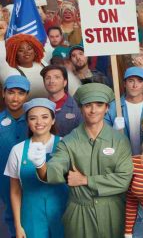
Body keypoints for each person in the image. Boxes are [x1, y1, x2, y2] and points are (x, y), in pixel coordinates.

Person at [27, 83, 134, 237]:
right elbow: (53, 170)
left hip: (113, 212)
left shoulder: (119, 141)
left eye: (99, 105)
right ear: (81, 109)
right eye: (88, 105)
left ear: (107, 108)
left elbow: (124, 180)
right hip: (79, 213)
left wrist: (85, 180)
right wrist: (40, 164)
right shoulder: (69, 142)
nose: (93, 110)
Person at [4, 98, 68, 238]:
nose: (39, 122)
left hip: (63, 212)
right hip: (31, 216)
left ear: (53, 120)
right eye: (33, 118)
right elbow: (15, 192)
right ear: (27, 122)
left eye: (45, 117)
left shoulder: (66, 145)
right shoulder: (18, 150)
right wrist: (18, 225)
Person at [0, 75, 30, 237]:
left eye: (21, 93)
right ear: (3, 93)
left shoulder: (35, 122)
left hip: (31, 184)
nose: (15, 98)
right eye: (11, 92)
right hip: (3, 188)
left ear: (27, 96)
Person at [105, 67, 143, 155]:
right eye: (131, 81)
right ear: (124, 84)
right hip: (121, 159)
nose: (135, 85)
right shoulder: (112, 107)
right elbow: (103, 137)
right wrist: (112, 131)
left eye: (140, 81)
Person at [41, 65, 82, 137]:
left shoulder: (78, 107)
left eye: (57, 77)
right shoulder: (39, 107)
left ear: (65, 82)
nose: (51, 81)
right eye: (48, 78)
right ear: (44, 83)